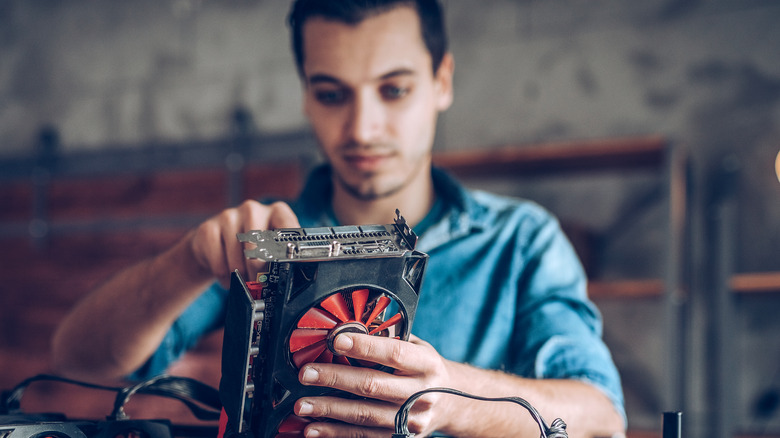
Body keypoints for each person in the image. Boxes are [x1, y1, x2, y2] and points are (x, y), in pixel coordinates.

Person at [52, 1, 626, 437]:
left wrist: (453, 397)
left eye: (394, 90)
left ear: (441, 81)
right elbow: (80, 359)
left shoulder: (522, 240)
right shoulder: (267, 244)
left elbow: (602, 417)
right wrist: (187, 263)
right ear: (305, 95)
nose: (362, 129)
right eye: (332, 95)